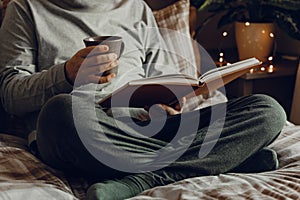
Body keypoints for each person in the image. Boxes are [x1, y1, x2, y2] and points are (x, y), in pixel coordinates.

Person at [0, 0, 286, 199]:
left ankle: (144, 178)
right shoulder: (25, 8)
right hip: (83, 131)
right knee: (61, 111)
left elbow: (164, 76)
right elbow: (10, 95)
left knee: (267, 110)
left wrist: (170, 101)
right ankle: (223, 157)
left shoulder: (136, 8)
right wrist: (67, 74)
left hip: (150, 129)